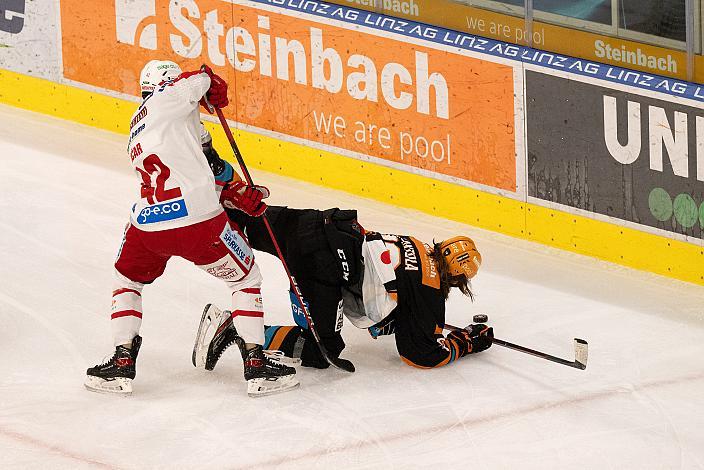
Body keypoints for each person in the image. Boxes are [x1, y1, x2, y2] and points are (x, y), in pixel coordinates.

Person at [85, 60, 298, 397]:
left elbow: (213, 168)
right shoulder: (167, 99)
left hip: (148, 225)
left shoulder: (139, 125)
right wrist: (209, 79)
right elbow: (191, 83)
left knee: (127, 280)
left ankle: (121, 362)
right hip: (199, 220)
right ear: (166, 84)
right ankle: (257, 365)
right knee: (246, 279)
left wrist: (237, 191)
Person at [192, 205, 494, 372]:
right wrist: (468, 341)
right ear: (458, 280)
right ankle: (233, 328)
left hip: (313, 224)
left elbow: (393, 283)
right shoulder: (429, 291)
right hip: (318, 271)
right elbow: (422, 355)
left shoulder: (413, 242)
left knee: (247, 216)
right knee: (323, 351)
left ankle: (196, 200)